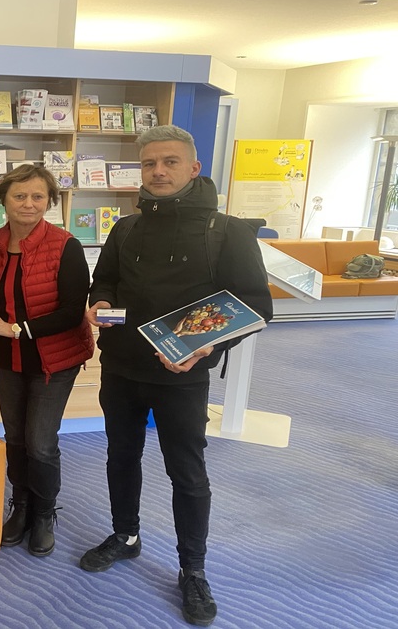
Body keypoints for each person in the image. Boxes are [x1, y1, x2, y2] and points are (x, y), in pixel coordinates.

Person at [79, 125, 273, 626]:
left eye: (169, 162)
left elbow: (256, 304)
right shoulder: (126, 228)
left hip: (184, 375)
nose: (158, 172)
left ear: (194, 168)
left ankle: (193, 569)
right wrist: (99, 304)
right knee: (120, 456)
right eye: (149, 164)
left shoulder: (227, 231)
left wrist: (207, 345)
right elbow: (105, 284)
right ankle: (125, 535)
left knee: (186, 474)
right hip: (122, 367)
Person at [0, 164, 94, 557]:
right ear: (3, 201)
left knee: (40, 442)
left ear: (49, 201)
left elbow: (71, 312)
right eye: (19, 196)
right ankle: (22, 506)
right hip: (5, 359)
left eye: (38, 196)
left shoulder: (66, 245)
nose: (29, 204)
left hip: (54, 359)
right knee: (14, 437)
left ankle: (45, 513)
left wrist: (14, 329)